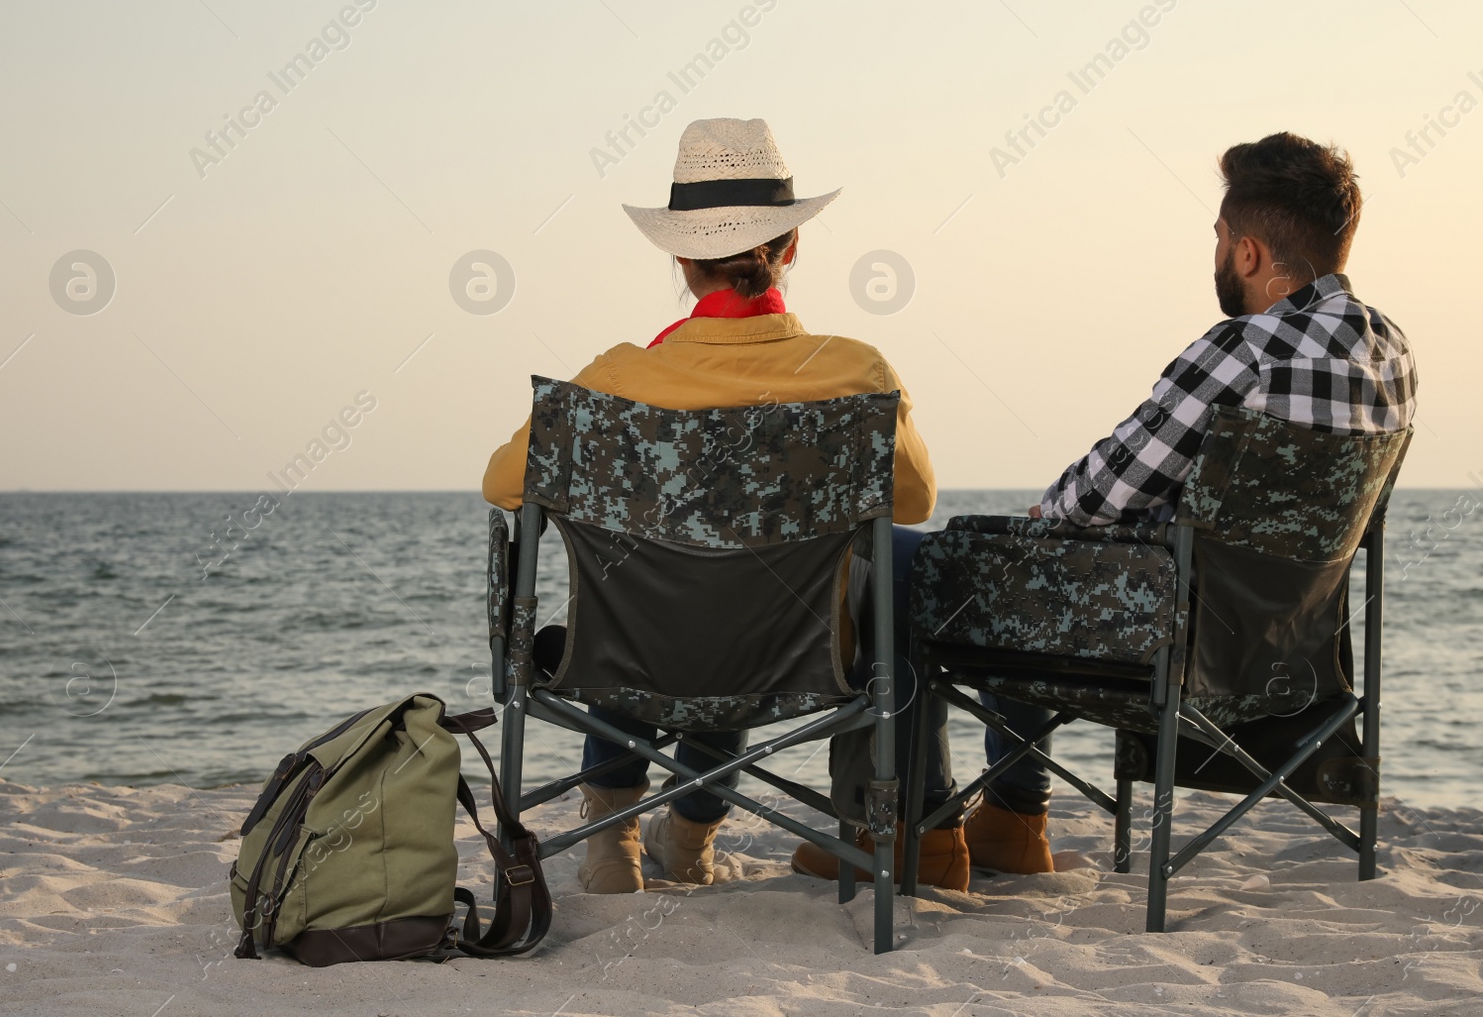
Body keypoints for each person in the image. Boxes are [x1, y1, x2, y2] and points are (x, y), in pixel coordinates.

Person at [480, 117, 966, 894]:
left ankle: (613, 836)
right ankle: (696, 829)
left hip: (634, 655)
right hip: (792, 658)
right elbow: (915, 498)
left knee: (650, 590)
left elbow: (501, 481)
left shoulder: (612, 383)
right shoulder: (854, 374)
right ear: (792, 247)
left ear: (679, 256)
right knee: (759, 598)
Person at [974, 131, 1418, 871]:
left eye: (1218, 238)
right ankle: (1008, 821)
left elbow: (1103, 492)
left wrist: (1038, 519)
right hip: (1301, 669)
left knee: (976, 567)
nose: (1214, 254)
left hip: (1182, 661)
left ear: (1248, 252)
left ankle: (1007, 818)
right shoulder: (1394, 353)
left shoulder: (1244, 348)